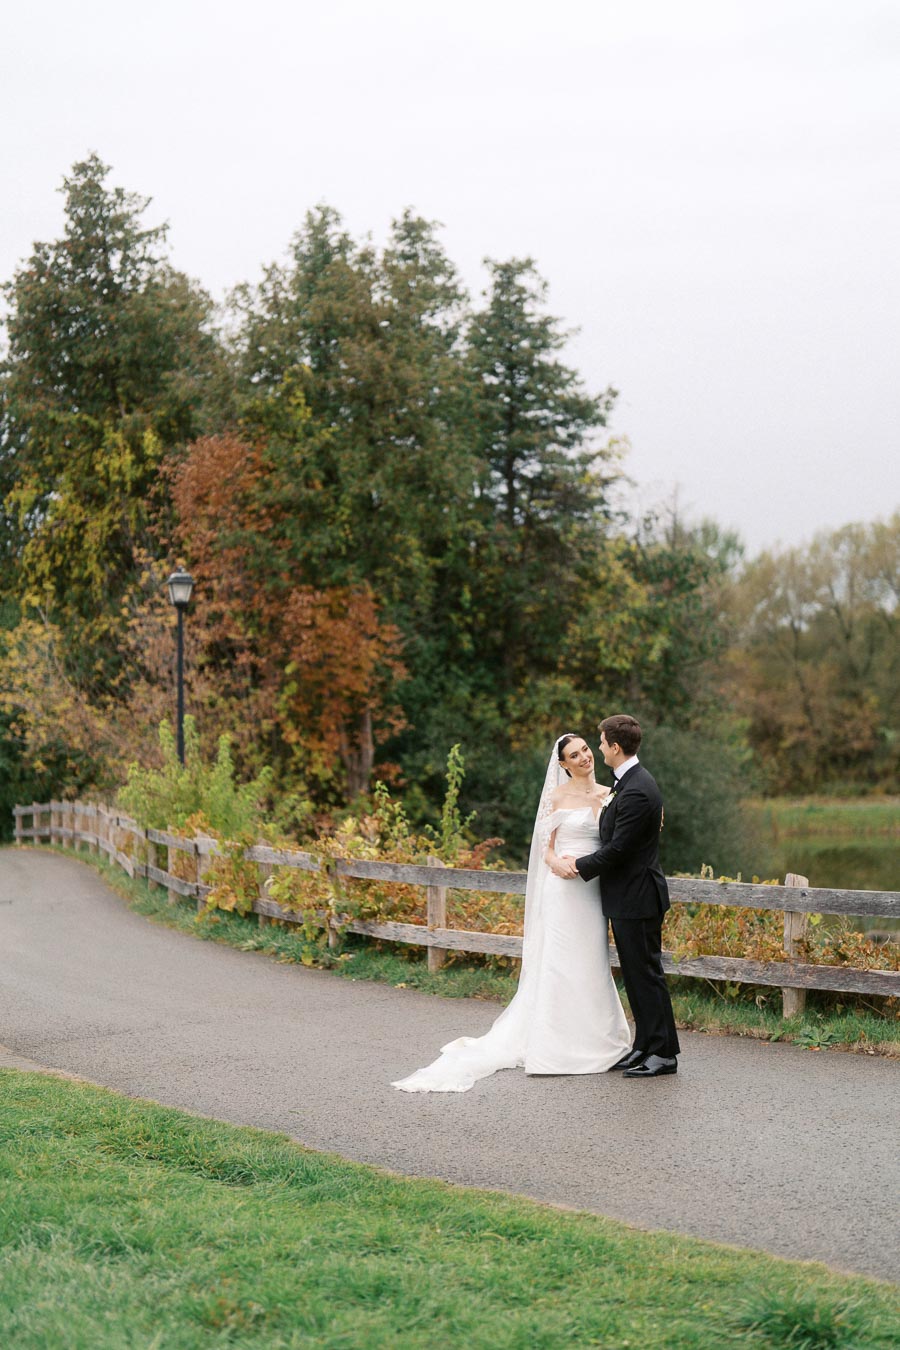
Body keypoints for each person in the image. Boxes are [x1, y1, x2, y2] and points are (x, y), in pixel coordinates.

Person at [391, 733, 631, 1092]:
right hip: (564, 890)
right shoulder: (556, 797)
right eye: (574, 755)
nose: (583, 758)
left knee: (591, 960)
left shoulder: (608, 794)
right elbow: (545, 851)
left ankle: (600, 1039)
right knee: (561, 961)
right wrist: (558, 865)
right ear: (562, 764)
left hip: (593, 891)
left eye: (585, 750)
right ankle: (557, 1045)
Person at [556, 714, 680, 1078]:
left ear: (615, 746)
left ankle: (664, 1054)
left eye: (600, 742)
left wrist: (577, 864)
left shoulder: (639, 788)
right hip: (626, 897)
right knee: (635, 975)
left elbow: (618, 850)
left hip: (639, 897)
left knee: (647, 974)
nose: (597, 749)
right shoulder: (625, 784)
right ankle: (644, 1044)